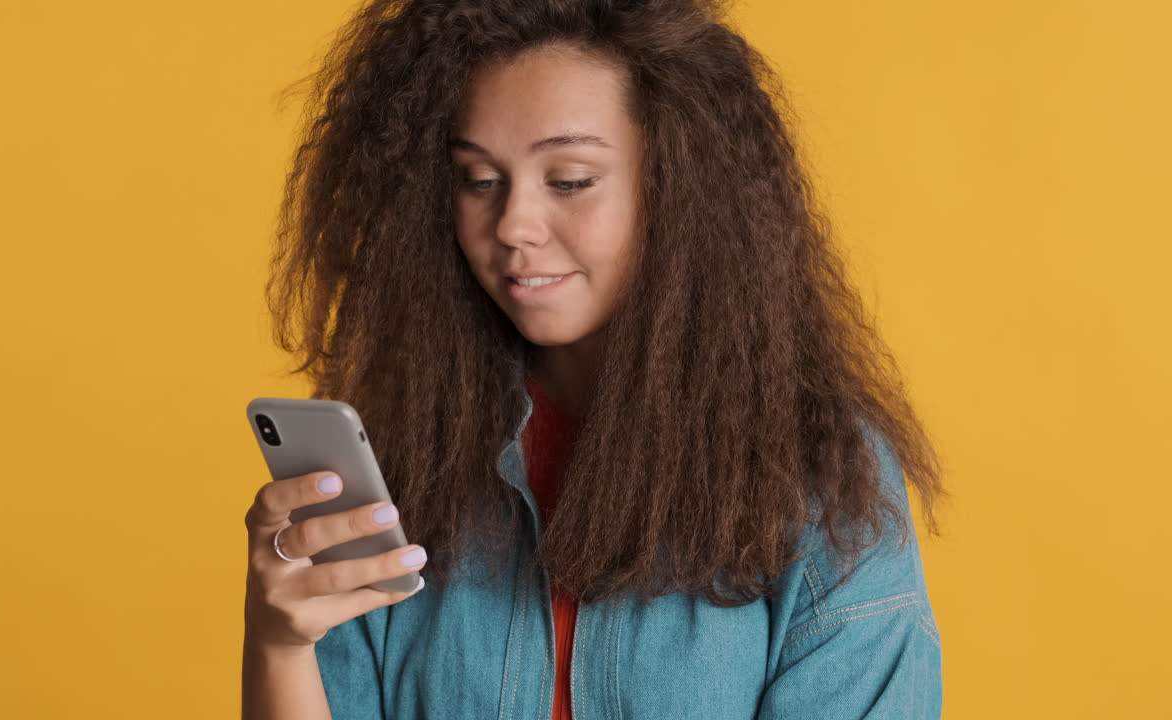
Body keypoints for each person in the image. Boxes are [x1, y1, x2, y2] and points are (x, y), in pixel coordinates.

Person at [242, 1, 950, 718]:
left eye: (570, 180)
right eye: (479, 181)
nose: (513, 224)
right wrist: (279, 646)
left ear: (680, 183)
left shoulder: (823, 480)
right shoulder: (404, 463)